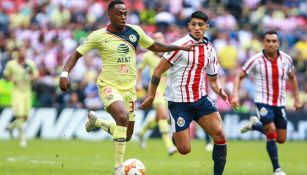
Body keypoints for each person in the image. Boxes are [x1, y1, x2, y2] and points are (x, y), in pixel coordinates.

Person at [58, 1, 196, 174]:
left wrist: (179, 47)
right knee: (122, 117)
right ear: (109, 14)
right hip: (109, 86)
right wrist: (64, 74)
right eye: (119, 14)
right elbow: (75, 54)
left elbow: (154, 46)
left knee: (126, 134)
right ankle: (118, 167)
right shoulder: (98, 35)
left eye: (125, 13)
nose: (123, 17)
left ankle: (97, 122)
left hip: (129, 91)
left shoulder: (135, 31)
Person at [140, 11, 228, 175]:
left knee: (220, 135)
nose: (197, 28)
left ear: (206, 27)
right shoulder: (179, 46)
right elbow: (158, 70)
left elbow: (213, 79)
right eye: (193, 24)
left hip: (201, 99)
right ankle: (175, 130)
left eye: (200, 25)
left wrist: (220, 91)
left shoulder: (210, 50)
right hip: (179, 102)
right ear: (188, 26)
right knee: (184, 149)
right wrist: (151, 96)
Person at [232, 30, 303, 175]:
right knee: (271, 131)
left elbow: (292, 78)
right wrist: (235, 95)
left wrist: (297, 98)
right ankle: (277, 169)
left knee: (281, 139)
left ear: (278, 43)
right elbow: (238, 76)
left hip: (280, 102)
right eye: (268, 41)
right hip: (262, 101)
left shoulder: (286, 59)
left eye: (274, 41)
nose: (271, 44)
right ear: (264, 43)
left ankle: (255, 124)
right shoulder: (256, 59)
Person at [135, 32, 177, 155]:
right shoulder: (147, 56)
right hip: (155, 89)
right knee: (163, 116)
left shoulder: (169, 55)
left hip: (168, 90)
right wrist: (138, 83)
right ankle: (169, 146)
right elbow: (140, 69)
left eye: (161, 40)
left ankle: (141, 132)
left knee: (159, 116)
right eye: (156, 40)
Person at [3, 46, 38, 148]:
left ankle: (10, 126)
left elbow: (36, 74)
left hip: (27, 92)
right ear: (17, 53)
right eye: (22, 51)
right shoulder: (11, 64)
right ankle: (23, 138)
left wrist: (32, 77)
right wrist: (11, 78)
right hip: (17, 92)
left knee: (25, 117)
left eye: (25, 51)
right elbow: (5, 75)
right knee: (19, 116)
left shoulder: (30, 64)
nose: (24, 53)